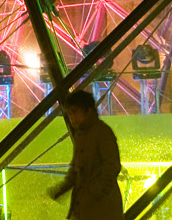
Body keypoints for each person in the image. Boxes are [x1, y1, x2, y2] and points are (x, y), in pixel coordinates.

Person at [49, 89, 123, 220]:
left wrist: (94, 191)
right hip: (93, 205)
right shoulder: (85, 134)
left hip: (97, 207)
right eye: (69, 114)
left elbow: (111, 166)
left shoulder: (100, 133)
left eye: (74, 112)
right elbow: (77, 169)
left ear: (88, 110)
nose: (71, 118)